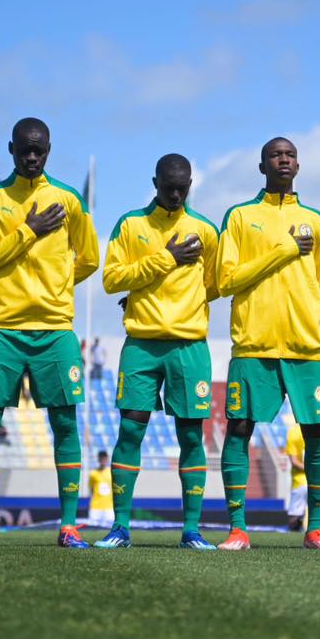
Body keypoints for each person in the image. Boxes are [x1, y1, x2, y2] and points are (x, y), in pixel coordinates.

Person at [0, 118, 99, 549]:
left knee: (65, 423)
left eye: (39, 150)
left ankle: (69, 525)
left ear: (49, 150)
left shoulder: (69, 199)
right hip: (3, 329)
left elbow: (90, 259)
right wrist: (28, 232)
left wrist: (55, 287)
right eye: (25, 149)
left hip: (55, 331)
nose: (32, 156)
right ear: (11, 149)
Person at [216, 136, 320, 551]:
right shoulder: (239, 216)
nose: (283, 160)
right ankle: (237, 529)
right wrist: (284, 251)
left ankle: (316, 529)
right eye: (275, 155)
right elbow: (225, 280)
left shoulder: (317, 221)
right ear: (262, 165)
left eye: (290, 155)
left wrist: (296, 300)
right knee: (239, 428)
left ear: (298, 166)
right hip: (254, 344)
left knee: (316, 432)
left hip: (305, 346)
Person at [93, 153, 219, 551]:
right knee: (130, 430)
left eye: (182, 188)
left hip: (189, 346)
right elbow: (112, 279)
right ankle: (120, 527)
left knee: (191, 437)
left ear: (190, 185)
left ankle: (192, 531)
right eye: (169, 188)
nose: (176, 195)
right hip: (142, 346)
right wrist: (167, 259)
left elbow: (214, 284)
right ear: (154, 183)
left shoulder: (206, 230)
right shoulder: (131, 225)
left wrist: (180, 304)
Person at [285, 425, 308, 532]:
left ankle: (295, 529)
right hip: (318, 482)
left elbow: (294, 461)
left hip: (300, 482)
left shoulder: (294, 432)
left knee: (294, 516)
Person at [88, 451, 114, 528]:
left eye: (104, 458)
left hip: (109, 507)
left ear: (107, 459)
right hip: (95, 507)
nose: (103, 460)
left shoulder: (111, 472)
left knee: (110, 529)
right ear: (98, 459)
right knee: (93, 529)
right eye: (101, 458)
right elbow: (91, 489)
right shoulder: (93, 473)